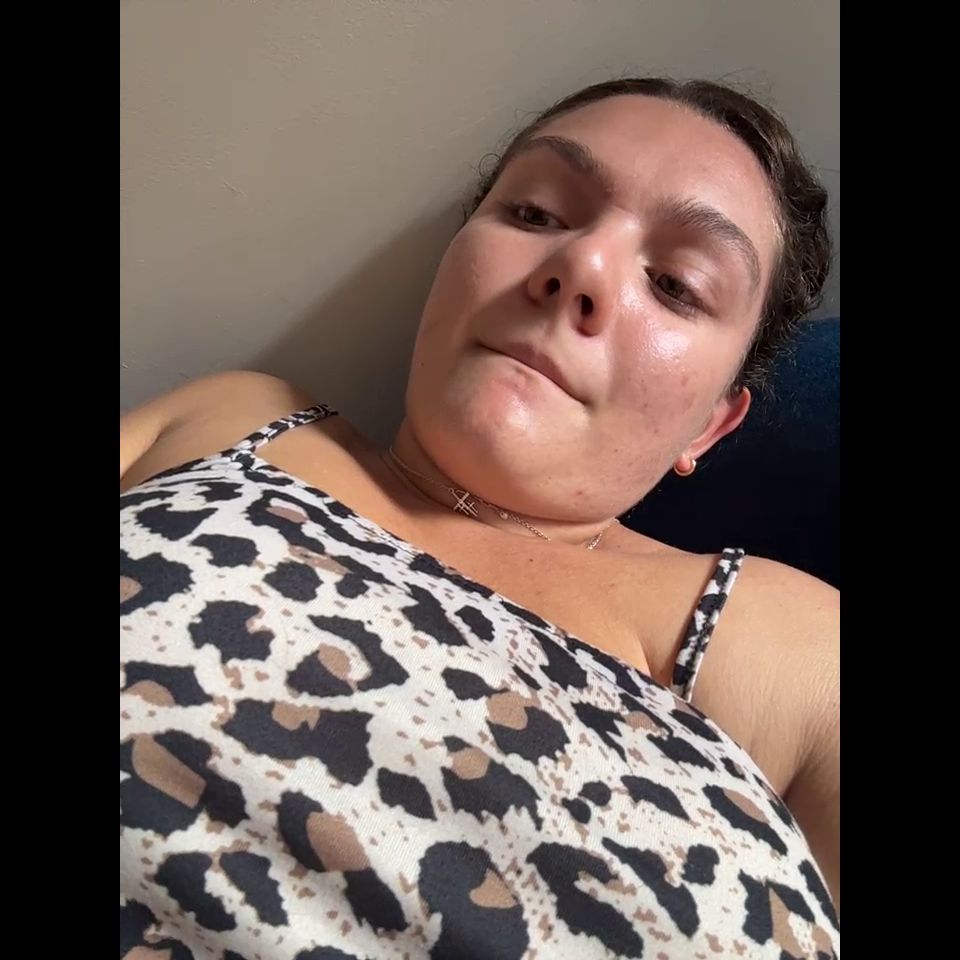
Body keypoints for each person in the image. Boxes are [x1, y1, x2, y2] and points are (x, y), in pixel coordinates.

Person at [120, 77, 839, 960]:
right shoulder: (234, 416)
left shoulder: (789, 641)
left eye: (677, 285)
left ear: (711, 424)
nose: (582, 265)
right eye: (535, 213)